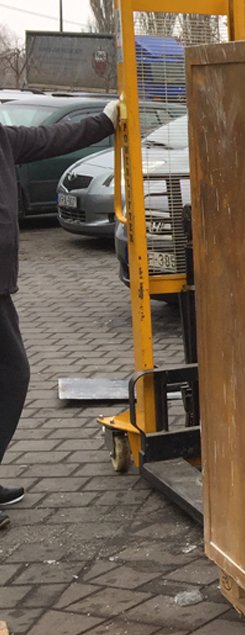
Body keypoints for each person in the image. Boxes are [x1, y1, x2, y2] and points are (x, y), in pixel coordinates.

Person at [0, 98, 119, 531]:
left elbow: (53, 137)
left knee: (10, 375)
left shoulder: (5, 140)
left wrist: (104, 120)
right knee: (12, 374)